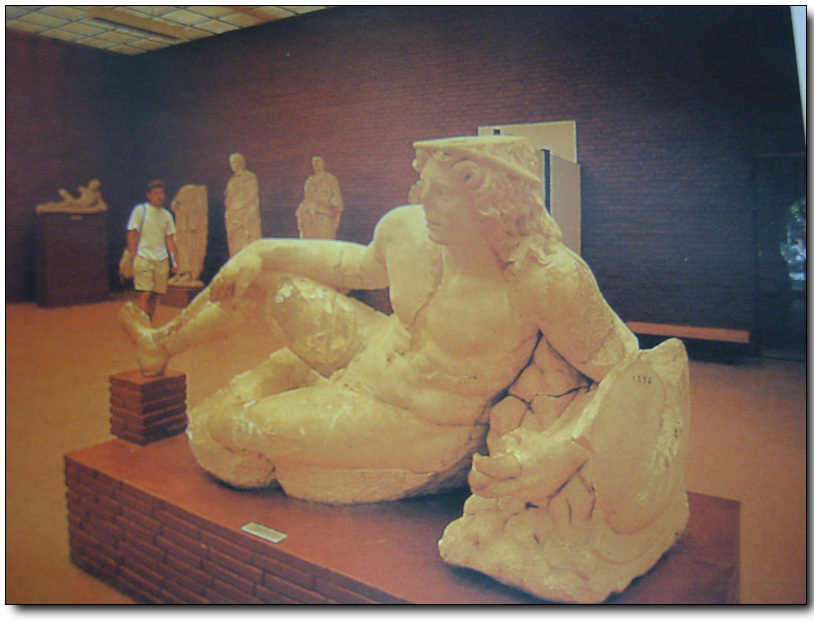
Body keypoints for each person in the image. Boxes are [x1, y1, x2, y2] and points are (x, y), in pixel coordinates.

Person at [118, 136, 637, 504]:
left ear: (491, 202)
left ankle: (292, 391)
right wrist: (263, 250)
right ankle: (161, 342)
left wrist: (566, 452)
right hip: (370, 347)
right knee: (263, 279)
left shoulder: (544, 279)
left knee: (231, 427)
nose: (423, 202)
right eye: (424, 187)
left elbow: (626, 371)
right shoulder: (410, 228)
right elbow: (355, 266)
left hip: (418, 421)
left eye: (441, 194)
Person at [126, 179, 178, 322]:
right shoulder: (140, 210)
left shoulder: (167, 215)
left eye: (161, 193)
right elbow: (132, 233)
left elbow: (169, 239)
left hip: (161, 259)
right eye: (156, 193)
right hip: (144, 257)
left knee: (155, 295)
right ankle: (143, 323)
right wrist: (134, 255)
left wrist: (174, 262)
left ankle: (149, 322)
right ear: (149, 195)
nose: (159, 196)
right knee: (146, 292)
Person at [295, 155, 344, 239]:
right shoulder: (309, 181)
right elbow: (306, 198)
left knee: (323, 243)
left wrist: (335, 223)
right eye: (314, 162)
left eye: (318, 161)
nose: (316, 164)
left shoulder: (330, 179)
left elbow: (338, 201)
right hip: (308, 216)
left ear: (324, 163)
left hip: (323, 215)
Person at [224, 153, 262, 257]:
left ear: (240, 162)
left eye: (234, 162)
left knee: (246, 239)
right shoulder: (232, 180)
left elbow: (252, 196)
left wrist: (247, 211)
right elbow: (228, 198)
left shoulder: (249, 177)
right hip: (233, 214)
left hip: (244, 211)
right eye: (231, 162)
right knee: (235, 242)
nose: (232, 164)